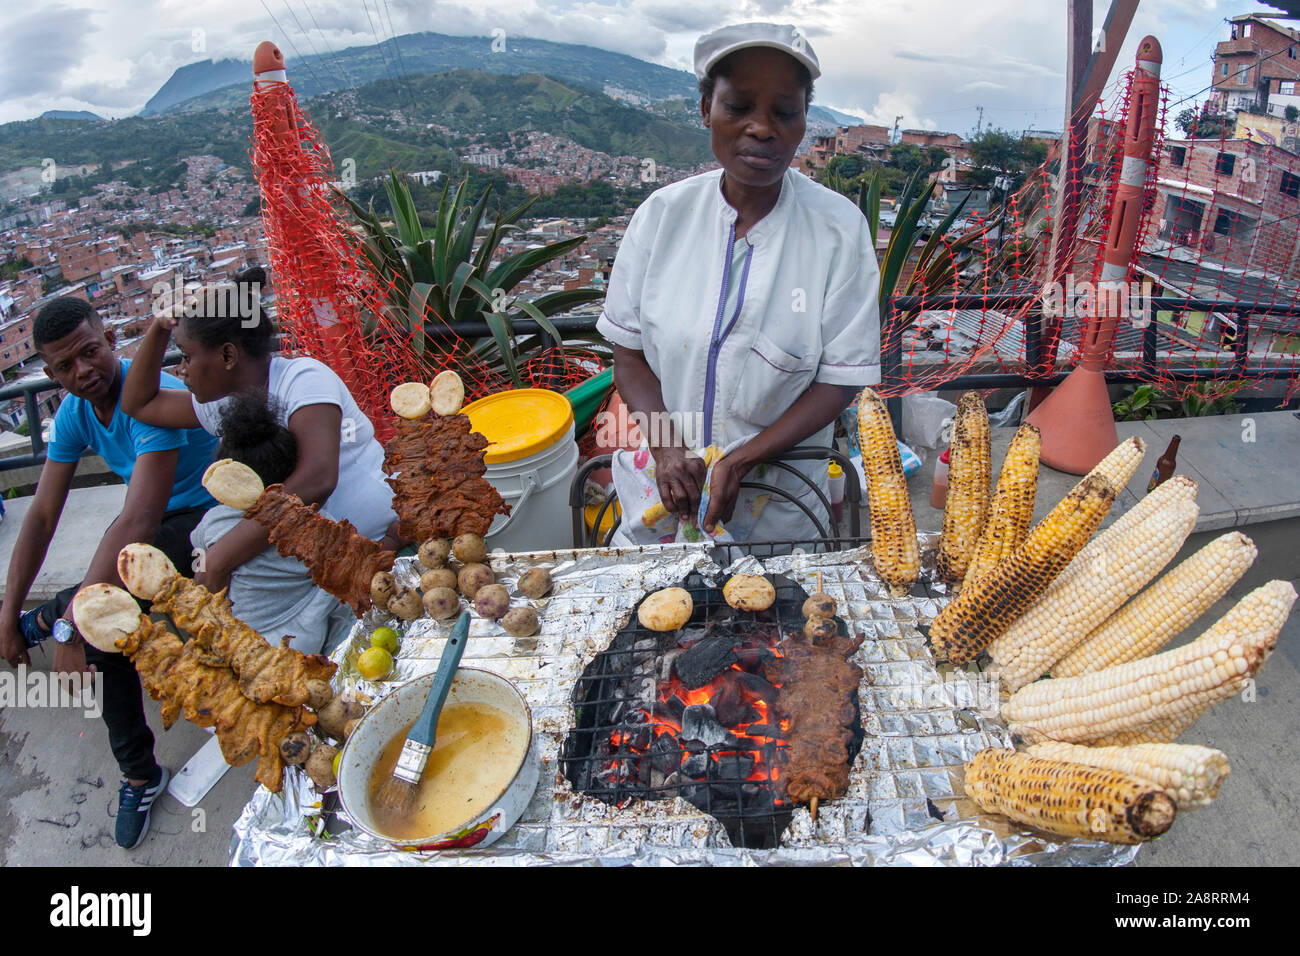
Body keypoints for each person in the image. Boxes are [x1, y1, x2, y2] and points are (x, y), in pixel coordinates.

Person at [597, 22, 880, 544]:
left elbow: (840, 379)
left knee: (780, 621)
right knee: (655, 617)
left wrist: (745, 456)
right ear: (707, 109)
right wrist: (667, 448)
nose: (762, 128)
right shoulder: (661, 217)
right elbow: (630, 357)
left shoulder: (839, 231)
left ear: (802, 122)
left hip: (781, 505)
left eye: (784, 112)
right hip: (663, 497)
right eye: (739, 106)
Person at [0, 296, 218, 849]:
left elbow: (142, 514)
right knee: (102, 599)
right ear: (48, 374)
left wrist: (73, 623)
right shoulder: (74, 414)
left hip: (206, 514)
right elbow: (44, 513)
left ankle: (140, 775)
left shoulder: (147, 396)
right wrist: (7, 612)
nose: (84, 371)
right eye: (65, 366)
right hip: (155, 523)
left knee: (100, 628)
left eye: (91, 352)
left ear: (110, 339)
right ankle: (32, 620)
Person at [121, 267, 399, 596]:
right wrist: (159, 328)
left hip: (375, 542)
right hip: (309, 559)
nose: (181, 370)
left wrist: (221, 556)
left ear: (227, 354)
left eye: (187, 356)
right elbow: (138, 403)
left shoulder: (303, 379)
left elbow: (316, 480)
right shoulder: (221, 402)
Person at [190, 390, 355, 654]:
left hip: (242, 640)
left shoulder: (211, 523)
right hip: (303, 637)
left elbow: (201, 565)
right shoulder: (317, 522)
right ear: (291, 473)